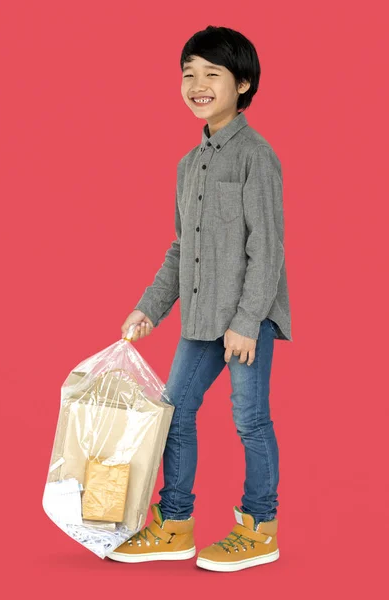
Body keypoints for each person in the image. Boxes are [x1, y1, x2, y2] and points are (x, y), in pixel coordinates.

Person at [108, 25, 292, 572]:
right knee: (174, 411)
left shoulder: (256, 157)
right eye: (189, 73)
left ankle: (259, 529)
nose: (198, 84)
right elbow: (179, 248)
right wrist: (149, 306)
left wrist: (247, 320)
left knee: (249, 420)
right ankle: (175, 523)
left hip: (243, 319)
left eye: (213, 73)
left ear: (243, 83)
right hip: (200, 317)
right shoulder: (191, 165)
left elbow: (269, 247)